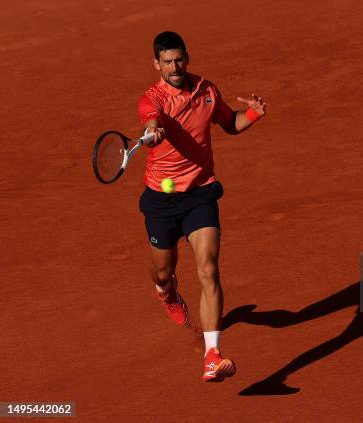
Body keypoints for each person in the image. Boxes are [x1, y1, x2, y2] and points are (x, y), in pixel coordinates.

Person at [137, 31, 266, 382]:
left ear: (187, 57)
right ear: (157, 65)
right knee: (163, 271)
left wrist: (252, 114)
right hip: (161, 200)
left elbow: (230, 123)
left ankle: (212, 354)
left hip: (200, 194)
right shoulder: (153, 99)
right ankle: (167, 292)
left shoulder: (207, 91)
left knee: (208, 269)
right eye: (167, 62)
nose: (175, 66)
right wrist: (152, 129)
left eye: (179, 59)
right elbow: (150, 116)